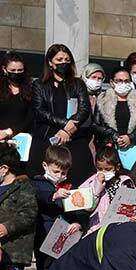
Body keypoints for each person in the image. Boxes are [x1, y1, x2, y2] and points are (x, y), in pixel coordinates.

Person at [31, 44, 94, 186]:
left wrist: (69, 129)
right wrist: (64, 125)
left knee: (78, 180)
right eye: (59, 59)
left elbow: (84, 109)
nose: (63, 63)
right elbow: (39, 111)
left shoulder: (78, 84)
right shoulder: (39, 85)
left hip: (73, 136)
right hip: (48, 137)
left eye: (67, 59)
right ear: (50, 62)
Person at [32, 145, 85, 270]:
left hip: (66, 235)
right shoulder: (37, 183)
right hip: (44, 235)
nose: (60, 175)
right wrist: (54, 195)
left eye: (64, 173)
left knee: (65, 269)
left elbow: (80, 210)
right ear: (45, 166)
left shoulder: (70, 187)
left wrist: (78, 223)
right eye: (56, 171)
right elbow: (40, 196)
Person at [0, 143, 38, 270]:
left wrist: (7, 227)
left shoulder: (23, 186)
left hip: (14, 249)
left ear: (4, 168)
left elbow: (29, 213)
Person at [92, 67, 136, 153]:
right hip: (109, 148)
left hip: (133, 148)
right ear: (112, 82)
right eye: (119, 81)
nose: (123, 83)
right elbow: (95, 125)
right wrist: (113, 135)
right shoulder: (102, 99)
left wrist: (130, 137)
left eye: (126, 81)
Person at [0, 52, 34, 174]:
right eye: (12, 70)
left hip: (21, 143)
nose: (16, 73)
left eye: (20, 70)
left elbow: (31, 117)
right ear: (4, 69)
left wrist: (10, 131)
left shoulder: (30, 90)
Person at [80, 146, 123, 232]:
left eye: (107, 169)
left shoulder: (125, 182)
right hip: (98, 227)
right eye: (100, 169)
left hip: (119, 226)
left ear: (117, 167)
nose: (103, 172)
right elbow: (89, 208)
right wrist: (98, 186)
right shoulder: (90, 183)